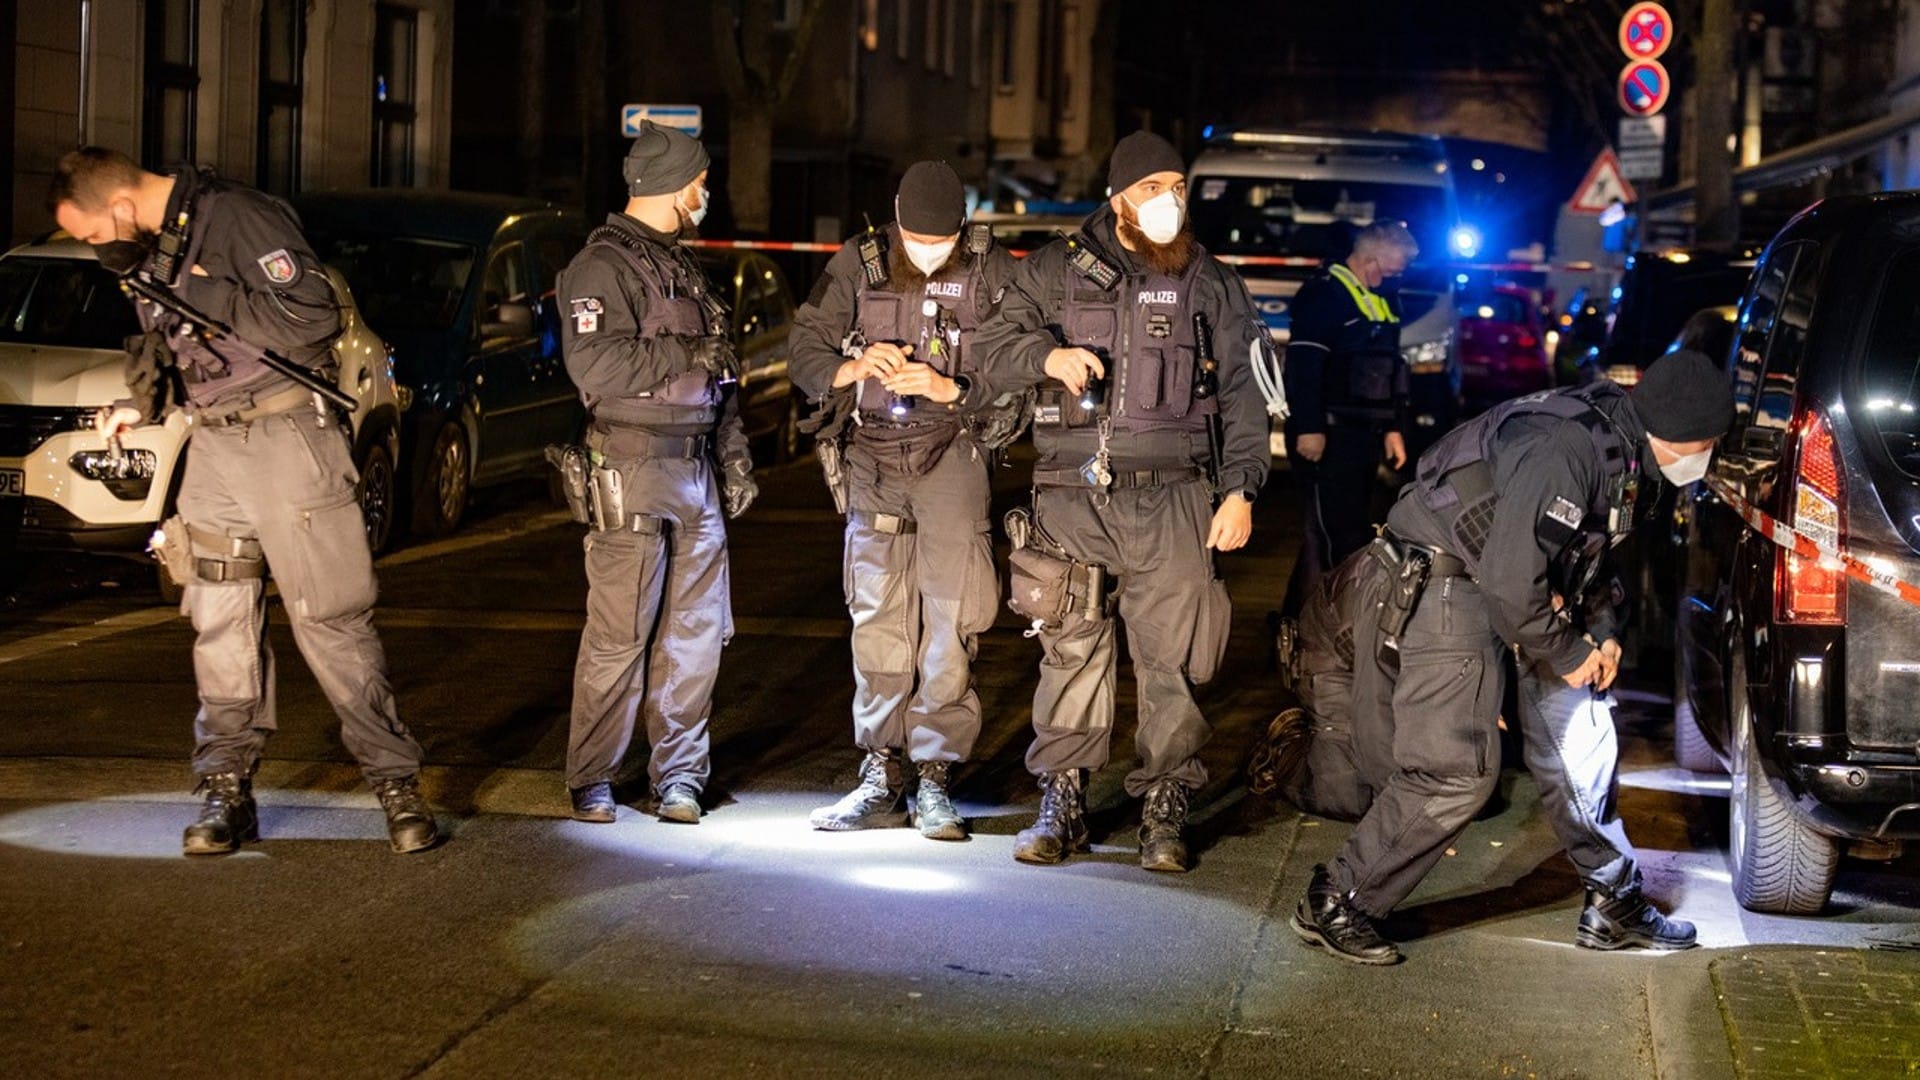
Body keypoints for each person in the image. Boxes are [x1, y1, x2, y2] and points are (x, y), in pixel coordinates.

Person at [53, 147, 439, 856]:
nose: (94, 249)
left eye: (89, 235)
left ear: (117, 209)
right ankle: (226, 788)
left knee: (329, 617)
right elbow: (180, 347)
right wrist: (137, 404)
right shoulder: (153, 246)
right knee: (218, 614)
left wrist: (208, 294)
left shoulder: (236, 218)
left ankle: (396, 786)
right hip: (215, 446)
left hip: (290, 437)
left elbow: (312, 317)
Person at [1289, 351, 1731, 964]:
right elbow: (1507, 583)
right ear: (1678, 430)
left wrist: (1602, 634)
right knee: (1456, 768)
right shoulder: (1564, 449)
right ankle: (1338, 899)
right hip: (1449, 580)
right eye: (1708, 441)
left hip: (1521, 588)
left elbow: (1600, 555)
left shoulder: (1632, 454)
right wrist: (1566, 648)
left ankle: (1612, 900)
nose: (1709, 453)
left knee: (1582, 732)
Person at [970, 130, 1271, 872]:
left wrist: (1240, 490)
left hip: (1175, 497)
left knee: (1170, 660)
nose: (1168, 201)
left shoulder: (1212, 280)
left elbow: (1244, 393)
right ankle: (1063, 798)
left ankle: (1164, 804)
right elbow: (990, 348)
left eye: (1176, 186)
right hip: (1072, 495)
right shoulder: (1053, 269)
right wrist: (1046, 355)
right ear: (1117, 199)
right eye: (1151, 188)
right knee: (1071, 650)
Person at [788, 162, 1022, 841]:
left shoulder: (990, 269)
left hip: (954, 453)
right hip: (874, 459)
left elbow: (1023, 363)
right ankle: (880, 770)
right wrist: (850, 368)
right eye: (914, 240)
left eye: (939, 242)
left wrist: (958, 389)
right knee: (879, 618)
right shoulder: (858, 263)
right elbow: (805, 344)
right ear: (893, 218)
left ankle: (935, 778)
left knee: (953, 617)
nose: (925, 252)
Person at [556, 121, 757, 826]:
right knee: (619, 634)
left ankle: (678, 777)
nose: (706, 193)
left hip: (695, 471)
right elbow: (595, 366)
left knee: (696, 636)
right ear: (674, 184)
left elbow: (720, 373)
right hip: (632, 466)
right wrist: (688, 353)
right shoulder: (600, 268)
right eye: (701, 182)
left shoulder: (685, 266)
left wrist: (733, 451)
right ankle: (593, 776)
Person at [1278, 222, 1417, 619]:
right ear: (1369, 258)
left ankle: (1302, 621)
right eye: (1393, 268)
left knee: (1336, 531)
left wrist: (1393, 429)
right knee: (1333, 534)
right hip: (1328, 432)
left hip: (1363, 434)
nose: (1396, 276)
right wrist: (1309, 427)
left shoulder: (1382, 298)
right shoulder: (1324, 295)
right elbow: (1304, 368)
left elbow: (1390, 372)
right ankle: (1328, 624)